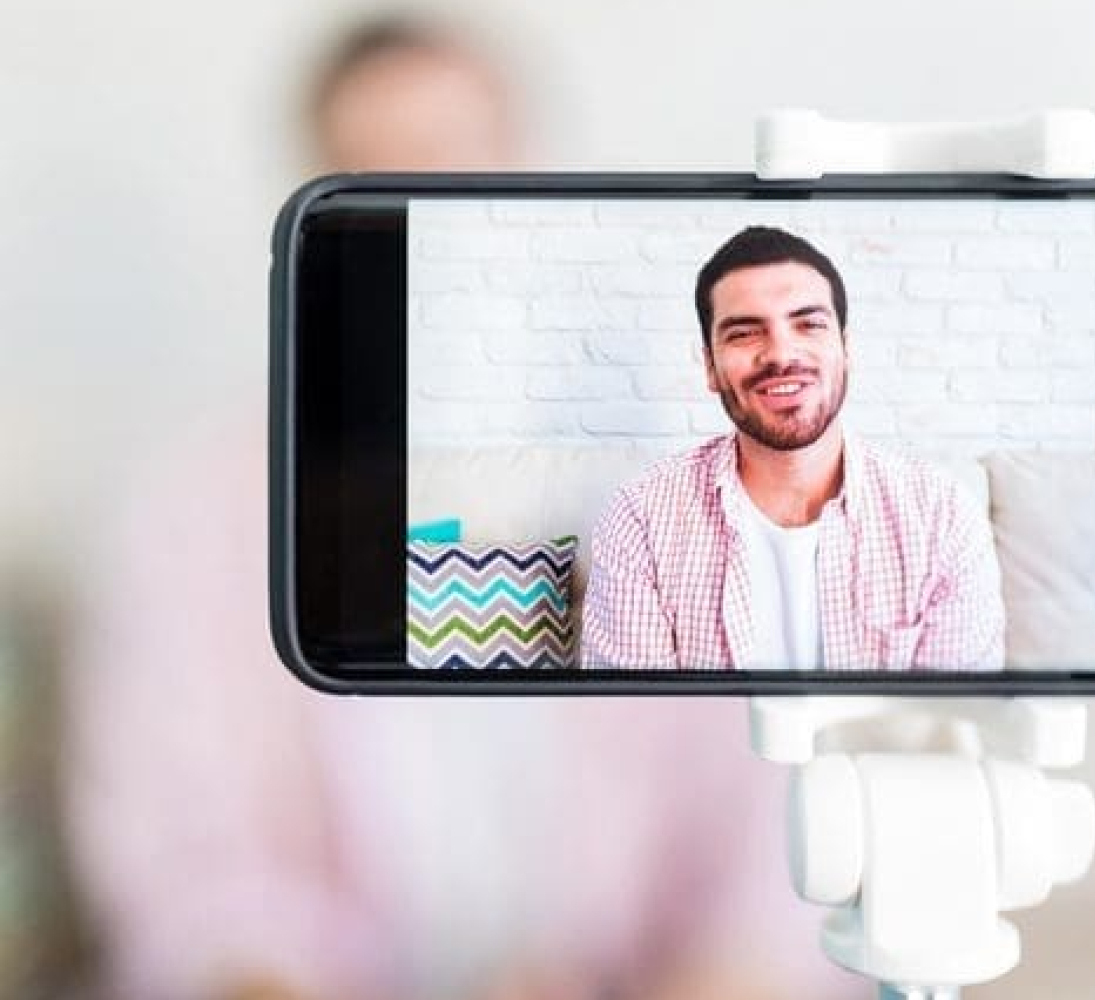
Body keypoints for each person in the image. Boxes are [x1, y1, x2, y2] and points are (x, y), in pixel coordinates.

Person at [61, 17, 852, 1000]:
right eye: (366, 176)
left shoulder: (708, 486)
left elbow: (777, 848)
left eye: (455, 164)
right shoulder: (193, 516)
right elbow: (182, 867)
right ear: (310, 217)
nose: (420, 212)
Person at [582, 227, 1005, 671]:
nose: (781, 354)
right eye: (745, 333)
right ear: (710, 366)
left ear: (846, 348)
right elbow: (633, 726)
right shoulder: (641, 520)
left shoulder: (942, 515)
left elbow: (954, 726)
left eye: (808, 324)